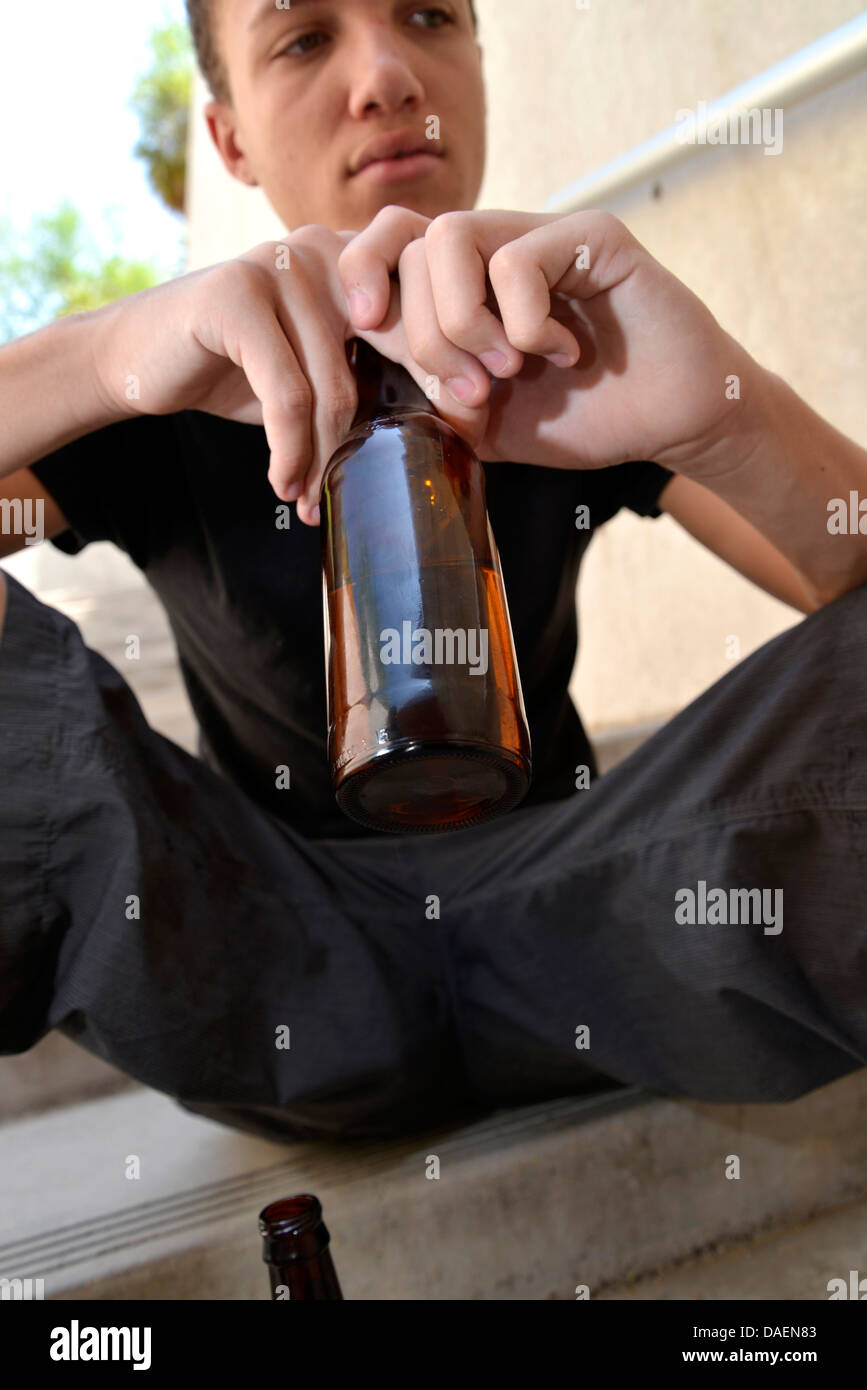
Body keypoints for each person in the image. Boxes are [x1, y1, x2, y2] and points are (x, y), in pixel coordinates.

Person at [1, 0, 865, 1143]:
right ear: (230, 141)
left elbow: (843, 589)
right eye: (305, 38)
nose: (389, 76)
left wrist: (723, 417)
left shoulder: (567, 351)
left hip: (616, 903)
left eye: (428, 16)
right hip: (264, 948)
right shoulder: (163, 390)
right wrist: (105, 358)